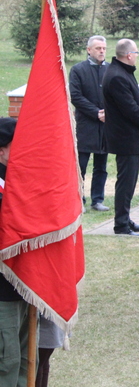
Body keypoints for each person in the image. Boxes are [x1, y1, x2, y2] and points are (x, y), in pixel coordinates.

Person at [102, 39, 139, 235]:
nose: (137, 56)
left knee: (130, 181)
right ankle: (121, 224)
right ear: (129, 55)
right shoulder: (117, 76)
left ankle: (125, 219)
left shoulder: (122, 72)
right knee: (126, 182)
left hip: (131, 136)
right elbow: (130, 109)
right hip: (126, 138)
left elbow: (137, 103)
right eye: (136, 53)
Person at [0, 117, 36, 385]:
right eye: (18, 144)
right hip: (3, 289)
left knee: (26, 357)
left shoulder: (21, 179)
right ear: (1, 150)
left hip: (26, 284)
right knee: (7, 359)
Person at [69, 35, 110, 212]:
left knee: (101, 166)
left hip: (107, 126)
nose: (101, 51)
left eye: (104, 48)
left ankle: (97, 199)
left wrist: (109, 113)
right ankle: (78, 199)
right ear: (89, 50)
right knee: (81, 166)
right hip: (86, 124)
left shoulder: (111, 69)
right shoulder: (78, 70)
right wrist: (96, 112)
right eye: (98, 48)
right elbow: (76, 96)